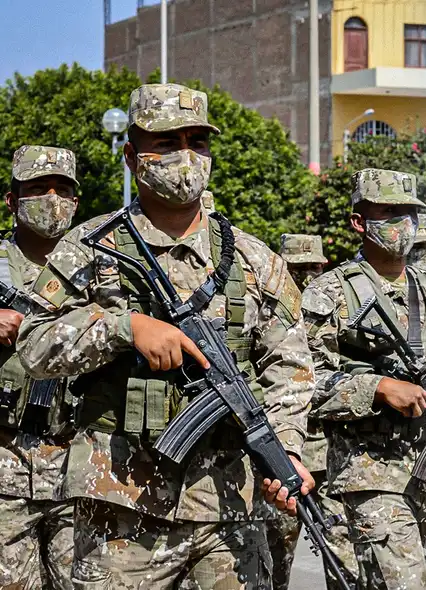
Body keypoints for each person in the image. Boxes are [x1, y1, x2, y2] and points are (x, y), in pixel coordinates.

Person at [17, 82, 315, 589]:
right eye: (167, 143)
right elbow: (33, 343)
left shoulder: (253, 259)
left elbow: (290, 367)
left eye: (197, 142)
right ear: (132, 157)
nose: (185, 156)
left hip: (229, 508)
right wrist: (123, 327)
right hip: (121, 510)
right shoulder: (88, 247)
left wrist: (285, 447)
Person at [301, 168, 426, 590]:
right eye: (389, 213)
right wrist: (378, 388)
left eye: (408, 214)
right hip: (372, 476)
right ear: (360, 222)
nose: (402, 224)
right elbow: (302, 382)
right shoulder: (329, 293)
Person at [0, 145, 80, 589]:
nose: (52, 198)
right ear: (12, 200)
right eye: (37, 188)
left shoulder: (103, 270)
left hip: (81, 470)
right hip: (5, 467)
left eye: (63, 189)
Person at [268, 233, 358, 590]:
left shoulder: (338, 310)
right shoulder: (271, 313)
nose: (305, 276)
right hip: (287, 458)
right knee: (276, 556)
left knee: (345, 559)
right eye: (296, 269)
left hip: (334, 457)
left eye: (312, 267)